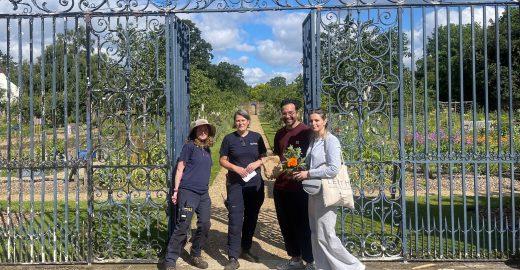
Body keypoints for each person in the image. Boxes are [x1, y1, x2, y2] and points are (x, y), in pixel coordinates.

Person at [293, 109, 365, 270]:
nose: (313, 124)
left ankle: (353, 266)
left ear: (325, 121)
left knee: (327, 234)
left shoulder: (331, 140)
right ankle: (322, 266)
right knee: (316, 233)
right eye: (311, 121)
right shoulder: (314, 140)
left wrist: (309, 173)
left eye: (317, 120)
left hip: (327, 192)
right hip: (315, 191)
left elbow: (333, 168)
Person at [164, 119, 216, 270]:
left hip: (203, 194)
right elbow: (180, 169)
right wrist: (175, 191)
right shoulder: (189, 147)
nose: (203, 131)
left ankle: (195, 254)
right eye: (199, 129)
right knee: (183, 225)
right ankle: (170, 260)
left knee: (205, 224)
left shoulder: (207, 150)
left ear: (208, 132)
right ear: (194, 132)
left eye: (205, 129)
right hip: (188, 192)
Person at [219, 109, 267, 270]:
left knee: (251, 218)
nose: (240, 123)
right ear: (235, 122)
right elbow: (222, 160)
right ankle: (233, 256)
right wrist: (235, 168)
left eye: (243, 120)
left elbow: (264, 157)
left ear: (248, 121)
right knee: (235, 219)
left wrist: (257, 163)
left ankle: (245, 249)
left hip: (255, 185)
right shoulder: (229, 139)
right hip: (236, 185)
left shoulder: (257, 137)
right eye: (237, 120)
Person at [273, 99, 314, 270]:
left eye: (291, 112)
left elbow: (313, 158)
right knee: (286, 225)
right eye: (284, 113)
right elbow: (276, 155)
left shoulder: (307, 132)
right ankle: (295, 259)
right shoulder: (279, 133)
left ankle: (310, 261)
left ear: (297, 112)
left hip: (299, 187)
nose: (287, 116)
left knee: (303, 225)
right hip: (281, 187)